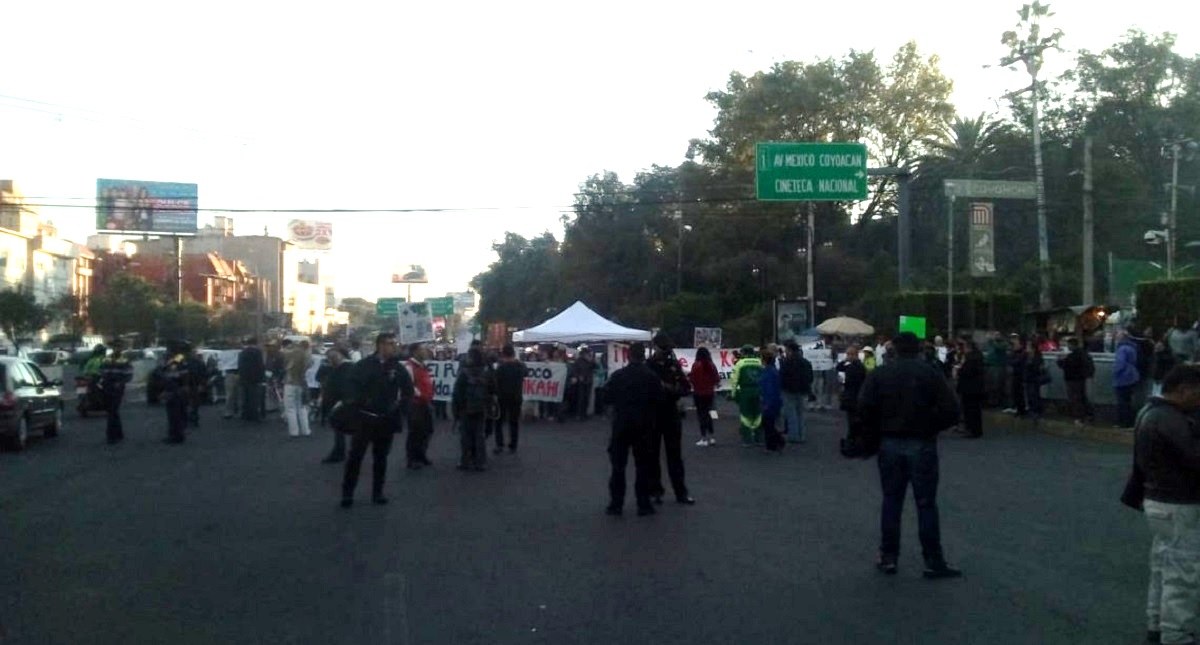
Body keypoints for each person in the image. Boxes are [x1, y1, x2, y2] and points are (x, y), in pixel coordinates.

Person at [857, 332, 962, 579]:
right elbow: (951, 409)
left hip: (890, 442)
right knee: (925, 504)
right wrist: (930, 426)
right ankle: (933, 561)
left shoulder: (880, 375)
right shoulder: (930, 373)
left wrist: (878, 430)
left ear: (893, 349)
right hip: (922, 443)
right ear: (917, 349)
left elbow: (863, 407)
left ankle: (888, 557)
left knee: (891, 502)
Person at [1135, 364, 1200, 645]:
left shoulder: (1150, 413)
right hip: (1179, 504)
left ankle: (1157, 625)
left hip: (1159, 501)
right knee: (1183, 576)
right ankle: (1177, 636)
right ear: (1183, 390)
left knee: (1163, 566)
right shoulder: (1171, 420)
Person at [341, 332, 412, 507]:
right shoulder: (364, 365)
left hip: (385, 420)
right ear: (380, 345)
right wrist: (359, 403)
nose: (394, 347)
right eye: (390, 343)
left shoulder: (396, 367)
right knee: (355, 457)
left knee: (381, 458)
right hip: (364, 418)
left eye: (394, 343)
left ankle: (377, 492)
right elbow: (350, 387)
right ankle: (347, 494)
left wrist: (400, 409)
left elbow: (408, 390)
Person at [604, 342, 663, 516]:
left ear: (628, 356)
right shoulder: (651, 377)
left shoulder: (618, 375)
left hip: (622, 424)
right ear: (643, 356)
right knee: (643, 467)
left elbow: (606, 397)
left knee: (618, 467)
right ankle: (643, 504)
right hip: (644, 426)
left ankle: (616, 504)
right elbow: (659, 401)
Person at [647, 333, 695, 505]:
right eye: (664, 348)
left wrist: (668, 388)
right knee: (652, 455)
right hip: (652, 415)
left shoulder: (673, 365)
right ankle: (655, 491)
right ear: (656, 347)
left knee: (675, 455)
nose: (667, 351)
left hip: (670, 413)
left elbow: (686, 388)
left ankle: (680, 492)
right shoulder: (648, 366)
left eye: (668, 348)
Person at [453, 347, 496, 471]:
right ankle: (480, 461)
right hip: (481, 408)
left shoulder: (464, 373)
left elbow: (457, 393)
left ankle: (465, 460)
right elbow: (494, 389)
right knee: (480, 435)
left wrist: (456, 410)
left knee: (465, 435)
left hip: (466, 408)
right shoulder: (487, 372)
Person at [319, 347, 354, 463]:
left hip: (342, 403)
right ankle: (340, 452)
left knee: (341, 429)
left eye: (333, 357)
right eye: (329, 358)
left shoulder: (346, 368)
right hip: (340, 402)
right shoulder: (342, 367)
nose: (331, 360)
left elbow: (343, 387)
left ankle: (339, 453)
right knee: (340, 429)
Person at [405, 342, 435, 469]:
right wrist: (422, 395)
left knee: (427, 430)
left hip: (425, 403)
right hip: (415, 404)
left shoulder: (422, 366)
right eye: (422, 350)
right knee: (415, 432)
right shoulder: (409, 367)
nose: (425, 352)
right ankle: (412, 459)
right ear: (415, 352)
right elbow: (409, 386)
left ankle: (421, 454)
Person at [99, 339, 134, 444]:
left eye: (118, 347)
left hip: (118, 387)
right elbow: (102, 371)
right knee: (112, 411)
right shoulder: (107, 359)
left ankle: (111, 435)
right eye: (115, 347)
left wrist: (121, 382)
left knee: (113, 410)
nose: (116, 349)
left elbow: (129, 374)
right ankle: (118, 433)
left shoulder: (124, 360)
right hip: (107, 386)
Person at [779, 340, 813, 444]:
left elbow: (782, 376)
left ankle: (793, 436)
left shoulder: (786, 362)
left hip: (789, 390)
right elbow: (810, 377)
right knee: (800, 414)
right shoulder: (806, 362)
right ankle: (801, 435)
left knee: (791, 413)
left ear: (789, 350)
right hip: (802, 390)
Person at [493, 344, 525, 454]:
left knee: (498, 421)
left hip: (502, 397)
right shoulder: (520, 366)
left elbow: (495, 381)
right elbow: (526, 373)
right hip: (516, 396)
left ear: (503, 355)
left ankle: (499, 444)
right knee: (514, 422)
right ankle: (513, 445)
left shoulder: (501, 367)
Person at [731, 344, 764, 447]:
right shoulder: (760, 362)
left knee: (745, 415)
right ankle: (759, 438)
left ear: (744, 352)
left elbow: (734, 380)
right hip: (759, 390)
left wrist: (733, 393)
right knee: (758, 415)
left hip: (745, 391)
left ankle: (747, 440)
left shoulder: (740, 363)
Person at [1058, 338, 1095, 427]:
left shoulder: (1073, 356)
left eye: (1068, 345)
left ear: (1072, 345)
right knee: (1082, 397)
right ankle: (1088, 414)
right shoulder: (1083, 353)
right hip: (1081, 379)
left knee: (1075, 398)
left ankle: (1079, 417)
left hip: (1072, 379)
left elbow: (1065, 365)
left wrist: (1060, 360)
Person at [688, 346, 721, 446]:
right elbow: (716, 379)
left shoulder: (696, 365)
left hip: (698, 393)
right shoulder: (711, 365)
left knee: (701, 415)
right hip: (710, 393)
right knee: (710, 413)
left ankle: (703, 438)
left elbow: (692, 379)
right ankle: (712, 437)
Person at [161, 341, 192, 445]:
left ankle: (176, 436)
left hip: (174, 389)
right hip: (177, 389)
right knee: (176, 414)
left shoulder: (176, 360)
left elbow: (171, 374)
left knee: (174, 414)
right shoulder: (179, 359)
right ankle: (175, 435)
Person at [837, 344, 869, 444]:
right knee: (853, 418)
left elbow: (849, 381)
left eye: (850, 354)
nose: (848, 356)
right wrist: (844, 361)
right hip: (856, 395)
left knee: (853, 419)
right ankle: (853, 437)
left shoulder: (855, 367)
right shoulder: (857, 366)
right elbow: (839, 367)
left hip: (853, 396)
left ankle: (853, 439)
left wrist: (843, 382)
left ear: (855, 355)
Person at [282, 340, 313, 437]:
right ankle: (306, 430)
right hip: (302, 383)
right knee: (302, 407)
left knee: (290, 408)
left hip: (290, 382)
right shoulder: (307, 357)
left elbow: (283, 366)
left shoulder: (288, 354)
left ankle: (294, 431)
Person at [955, 340, 985, 438]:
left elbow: (966, 371)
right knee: (975, 410)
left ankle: (971, 429)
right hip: (976, 387)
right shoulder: (978, 357)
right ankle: (975, 429)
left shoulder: (970, 358)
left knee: (969, 409)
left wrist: (959, 370)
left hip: (969, 388)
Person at [1115, 330, 1142, 429]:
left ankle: (1123, 422)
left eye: (1118, 336)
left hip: (1123, 377)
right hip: (1133, 376)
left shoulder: (1121, 349)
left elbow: (1120, 364)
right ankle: (1130, 422)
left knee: (1122, 401)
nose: (1116, 338)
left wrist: (1115, 372)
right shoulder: (1132, 347)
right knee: (1128, 401)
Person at [760, 347, 784, 452]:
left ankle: (773, 444)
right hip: (775, 400)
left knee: (768, 425)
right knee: (770, 423)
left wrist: (766, 403)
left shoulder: (767, 373)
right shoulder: (773, 371)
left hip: (770, 402)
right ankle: (777, 442)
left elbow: (769, 389)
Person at [238, 337, 266, 422]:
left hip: (244, 378)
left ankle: (245, 415)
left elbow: (240, 366)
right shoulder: (257, 353)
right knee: (254, 398)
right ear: (256, 343)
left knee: (245, 397)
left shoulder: (242, 353)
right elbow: (260, 366)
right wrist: (261, 378)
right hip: (255, 379)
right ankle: (254, 415)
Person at [1005, 335, 1028, 416]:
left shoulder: (1023, 353)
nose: (1014, 345)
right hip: (1016, 374)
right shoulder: (1016, 353)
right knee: (1016, 393)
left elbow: (1015, 362)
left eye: (1016, 344)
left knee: (1020, 393)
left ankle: (1022, 409)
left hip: (1021, 375)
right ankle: (1018, 409)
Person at [1023, 341, 1047, 420]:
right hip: (1029, 378)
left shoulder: (1036, 357)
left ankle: (1036, 411)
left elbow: (1036, 367)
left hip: (1033, 378)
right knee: (1031, 395)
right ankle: (1034, 411)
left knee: (1034, 395)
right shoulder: (1027, 356)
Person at [572, 347, 596, 421]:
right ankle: (579, 414)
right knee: (581, 398)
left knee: (587, 398)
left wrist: (591, 360)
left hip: (588, 381)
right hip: (581, 381)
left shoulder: (590, 360)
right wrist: (578, 376)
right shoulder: (578, 361)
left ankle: (584, 413)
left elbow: (595, 367)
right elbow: (575, 370)